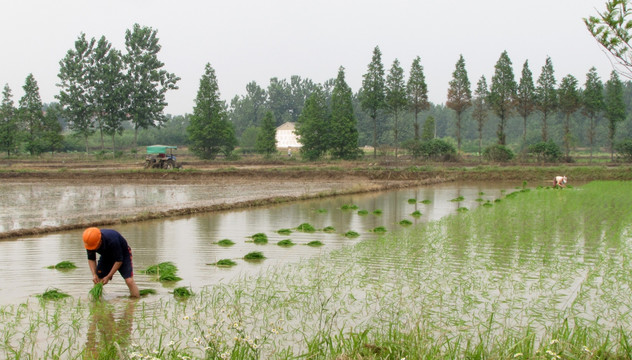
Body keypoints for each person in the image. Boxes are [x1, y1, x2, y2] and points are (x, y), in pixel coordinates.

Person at [83, 227, 140, 297]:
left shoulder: (112, 240)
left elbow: (119, 261)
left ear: (100, 241)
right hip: (106, 256)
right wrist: (94, 274)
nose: (93, 249)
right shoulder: (90, 243)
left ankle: (135, 302)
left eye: (95, 247)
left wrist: (108, 276)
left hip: (123, 254)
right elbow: (91, 259)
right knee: (97, 280)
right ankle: (96, 303)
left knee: (129, 280)